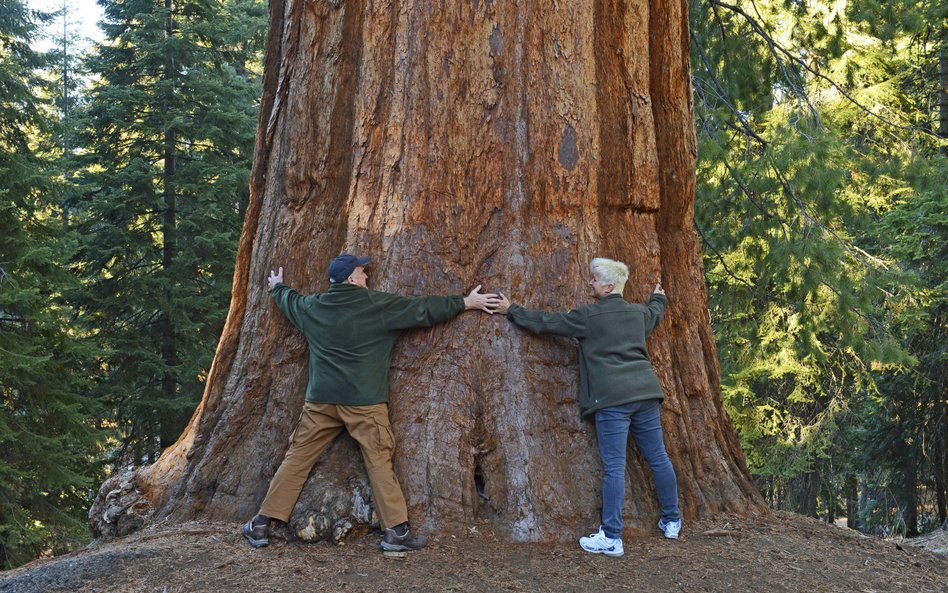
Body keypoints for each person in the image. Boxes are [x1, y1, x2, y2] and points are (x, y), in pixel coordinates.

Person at [242, 253, 501, 552]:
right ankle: (397, 532)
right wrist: (466, 302)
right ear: (352, 279)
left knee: (297, 458)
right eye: (362, 272)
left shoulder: (313, 307)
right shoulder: (377, 305)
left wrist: (277, 287)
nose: (367, 276)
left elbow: (291, 302)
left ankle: (261, 523)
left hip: (321, 401)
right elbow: (422, 309)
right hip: (364, 403)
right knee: (378, 460)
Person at [495, 257, 681, 557]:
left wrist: (512, 310)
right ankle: (672, 521)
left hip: (612, 400)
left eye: (594, 279)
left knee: (614, 467)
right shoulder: (638, 313)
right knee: (658, 457)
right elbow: (655, 312)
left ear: (608, 287)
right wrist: (659, 298)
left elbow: (548, 323)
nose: (590, 283)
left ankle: (612, 537)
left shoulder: (588, 317)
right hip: (646, 394)